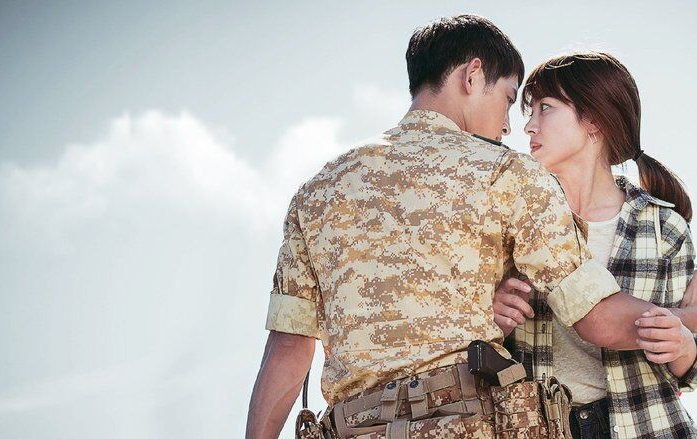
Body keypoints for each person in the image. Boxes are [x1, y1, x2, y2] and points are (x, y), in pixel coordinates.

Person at [246, 16, 681, 439]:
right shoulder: (509, 174)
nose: (508, 125)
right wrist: (686, 323)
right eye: (508, 99)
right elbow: (598, 318)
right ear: (472, 76)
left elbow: (288, 349)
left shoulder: (319, 190)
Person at [494, 52, 697, 438]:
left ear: (593, 121)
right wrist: (492, 315)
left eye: (545, 108)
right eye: (529, 111)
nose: (529, 125)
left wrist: (686, 348)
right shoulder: (515, 220)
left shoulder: (665, 228)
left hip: (648, 427)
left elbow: (689, 367)